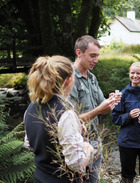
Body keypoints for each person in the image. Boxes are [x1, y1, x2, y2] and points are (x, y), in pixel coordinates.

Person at [24, 55, 94, 183]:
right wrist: (87, 148)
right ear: (67, 81)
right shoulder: (66, 113)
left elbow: (30, 143)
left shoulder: (31, 107)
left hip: (40, 177)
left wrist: (75, 133)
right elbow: (77, 165)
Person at [70, 35, 121, 183]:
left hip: (95, 140)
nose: (96, 60)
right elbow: (71, 120)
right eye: (92, 56)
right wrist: (99, 110)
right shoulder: (69, 79)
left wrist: (111, 101)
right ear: (79, 53)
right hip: (79, 144)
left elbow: (102, 104)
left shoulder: (92, 77)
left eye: (97, 56)